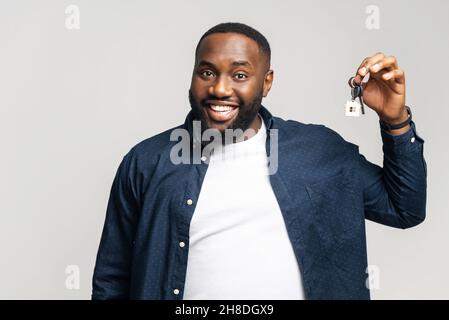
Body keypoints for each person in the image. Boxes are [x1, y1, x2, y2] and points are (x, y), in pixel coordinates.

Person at [92, 22, 427, 300]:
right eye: (207, 72)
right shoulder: (147, 161)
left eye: (240, 75)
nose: (219, 88)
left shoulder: (320, 150)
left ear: (266, 82)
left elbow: (404, 209)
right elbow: (112, 281)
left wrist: (396, 121)